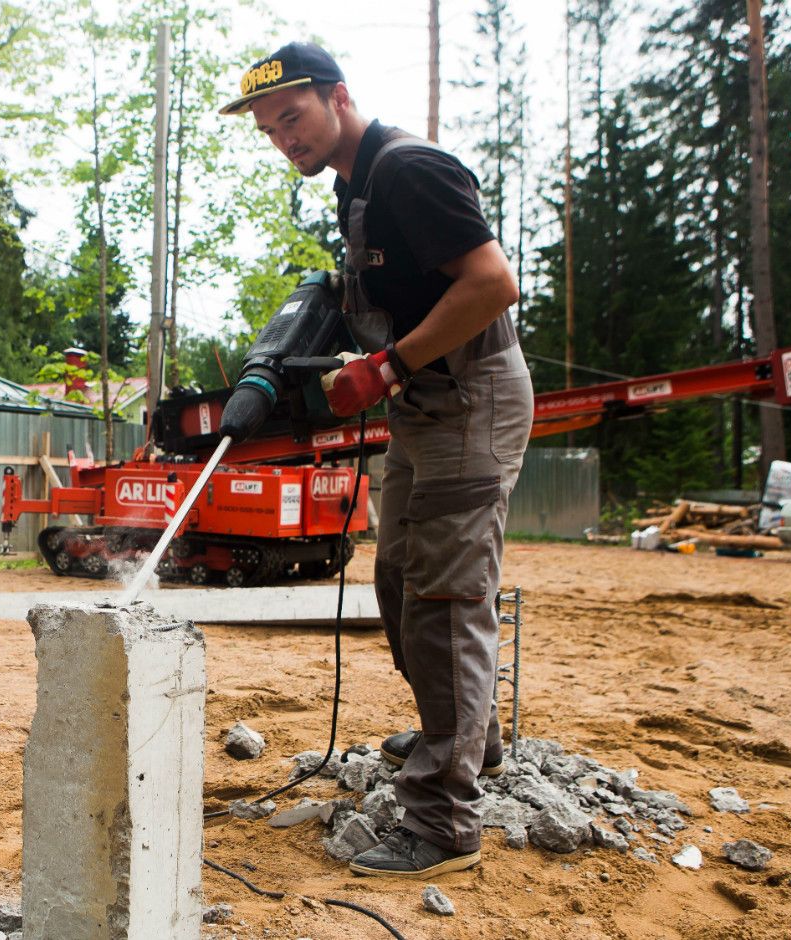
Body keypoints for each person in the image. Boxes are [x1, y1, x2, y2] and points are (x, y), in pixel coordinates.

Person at [220, 41, 533, 879]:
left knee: (444, 598)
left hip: (469, 396)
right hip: (424, 402)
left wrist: (389, 365)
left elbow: (493, 283)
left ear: (339, 97)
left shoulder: (407, 169)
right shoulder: (353, 185)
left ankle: (443, 823)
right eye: (268, 129)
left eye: (292, 117)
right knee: (398, 579)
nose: (283, 138)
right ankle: (468, 736)